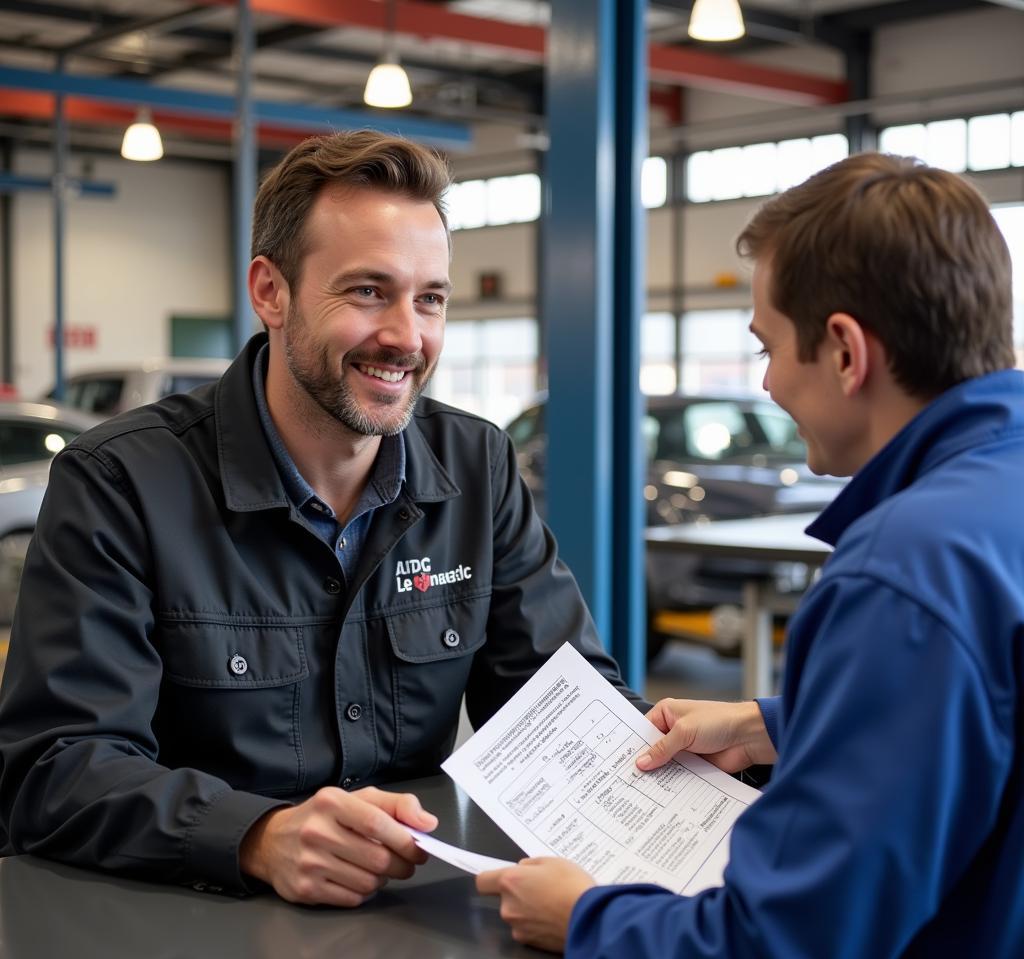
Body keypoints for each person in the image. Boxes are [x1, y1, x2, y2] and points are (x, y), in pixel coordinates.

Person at [0, 130, 643, 906]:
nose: (407, 336)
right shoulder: (122, 484)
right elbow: (53, 766)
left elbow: (567, 715)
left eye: (429, 298)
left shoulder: (476, 469)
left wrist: (747, 742)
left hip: (410, 925)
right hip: (187, 933)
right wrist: (255, 835)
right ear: (271, 292)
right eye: (368, 291)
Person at [478, 152, 1024, 959]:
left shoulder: (906, 573)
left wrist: (586, 917)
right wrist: (773, 724)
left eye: (768, 347)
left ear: (845, 351)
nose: (768, 383)